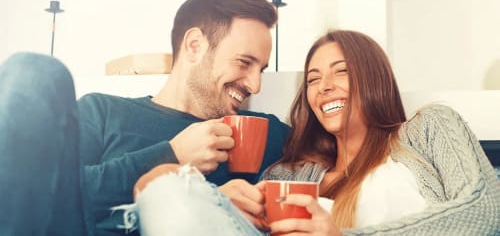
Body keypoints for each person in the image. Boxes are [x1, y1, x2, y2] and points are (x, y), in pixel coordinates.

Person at [134, 29, 500, 235]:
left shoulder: (428, 129)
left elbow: (487, 212)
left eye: (340, 71)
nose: (323, 87)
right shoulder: (289, 175)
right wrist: (227, 203)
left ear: (374, 77)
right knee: (163, 186)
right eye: (313, 79)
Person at [0, 0, 290, 235]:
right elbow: (47, 195)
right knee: (35, 72)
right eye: (244, 62)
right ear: (194, 46)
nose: (255, 84)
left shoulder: (263, 132)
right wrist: (170, 154)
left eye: (261, 69)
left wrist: (214, 202)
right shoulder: (103, 111)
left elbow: (332, 150)